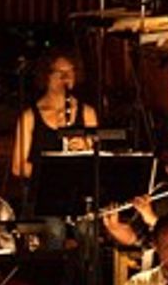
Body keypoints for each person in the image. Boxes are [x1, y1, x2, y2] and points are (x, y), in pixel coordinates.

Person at [10, 51, 102, 189]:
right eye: (59, 72)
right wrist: (55, 174)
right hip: (42, 189)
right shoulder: (29, 117)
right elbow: (18, 167)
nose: (66, 78)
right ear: (46, 75)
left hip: (77, 189)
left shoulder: (87, 113)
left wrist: (85, 147)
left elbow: (95, 161)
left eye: (71, 71)